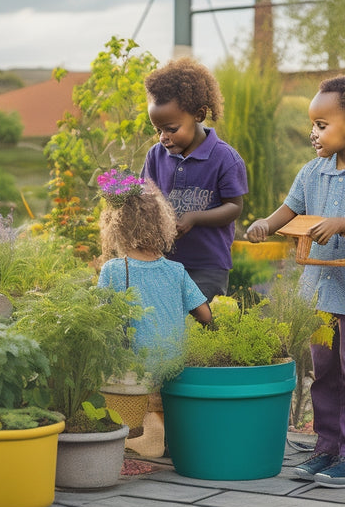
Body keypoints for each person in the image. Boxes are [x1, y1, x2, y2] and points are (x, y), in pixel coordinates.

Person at [246, 75, 345, 488]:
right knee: (323, 373)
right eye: (313, 125)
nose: (313, 133)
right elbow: (291, 208)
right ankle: (327, 447)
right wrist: (266, 224)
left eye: (322, 125)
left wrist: (343, 224)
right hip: (320, 293)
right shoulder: (312, 172)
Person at [96, 167, 211, 457]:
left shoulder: (113, 269)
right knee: (163, 402)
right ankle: (162, 434)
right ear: (163, 225)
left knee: (130, 394)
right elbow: (205, 314)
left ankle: (147, 439)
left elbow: (99, 317)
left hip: (135, 367)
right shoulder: (176, 271)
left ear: (115, 227)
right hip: (175, 363)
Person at [141, 57, 248, 301]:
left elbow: (234, 207)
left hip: (208, 265)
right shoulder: (156, 156)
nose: (163, 138)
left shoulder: (225, 158)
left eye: (171, 129)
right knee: (168, 326)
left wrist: (194, 218)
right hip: (163, 261)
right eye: (158, 130)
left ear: (199, 115)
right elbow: (146, 199)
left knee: (201, 327)